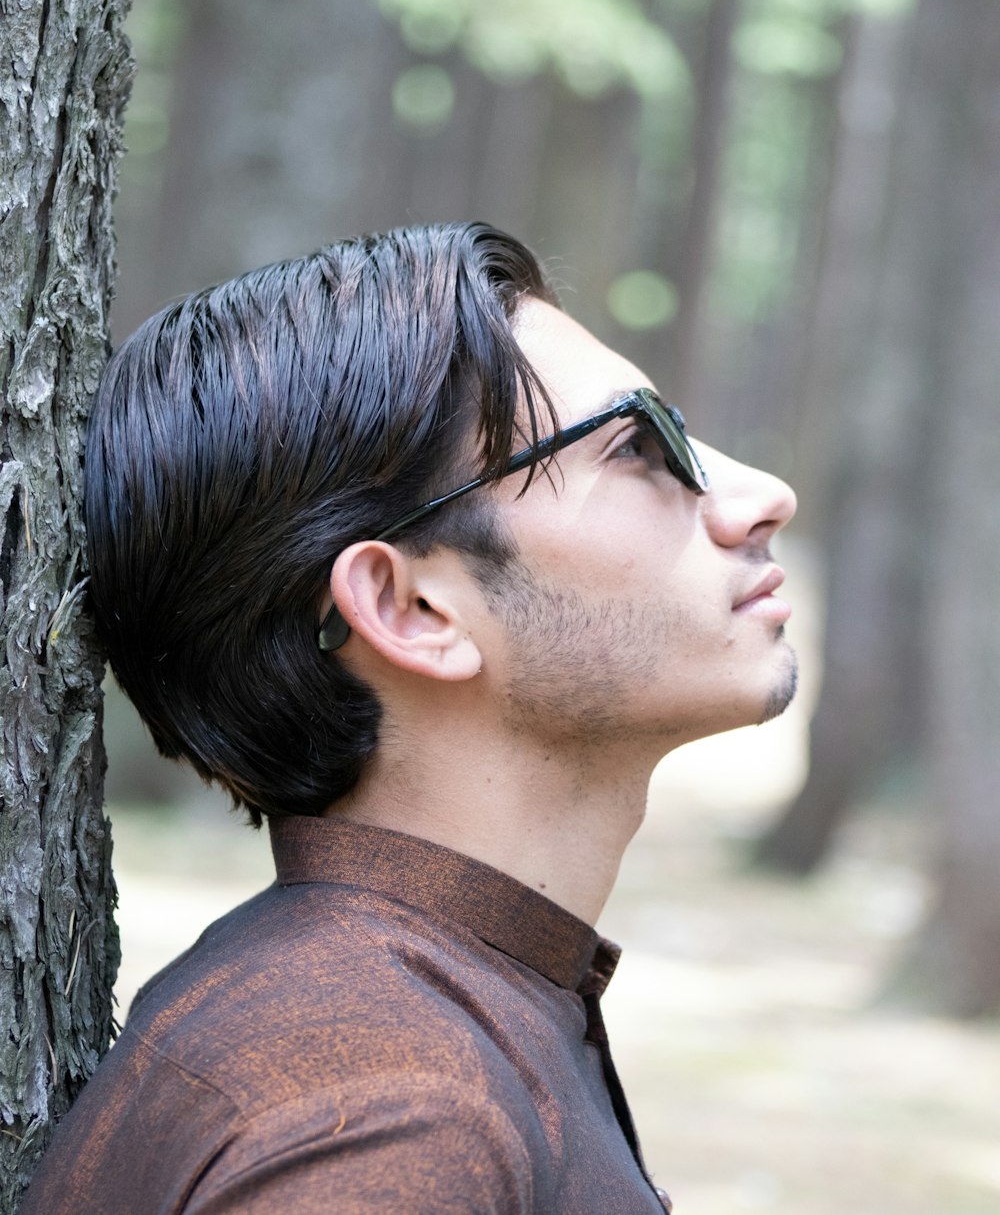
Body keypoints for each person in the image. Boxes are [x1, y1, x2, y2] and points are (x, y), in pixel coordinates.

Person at [24, 221, 797, 1213]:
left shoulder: (385, 1015)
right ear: (413, 610)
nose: (757, 496)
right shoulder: (389, 1116)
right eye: (640, 447)